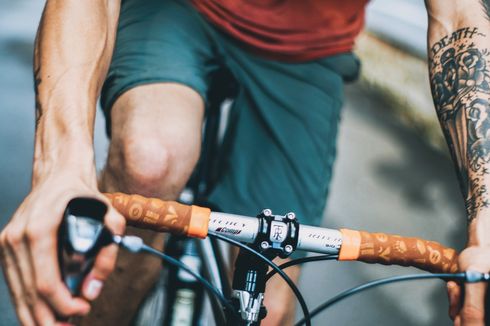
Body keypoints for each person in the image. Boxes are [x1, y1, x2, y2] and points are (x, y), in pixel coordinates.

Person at [1, 0, 490, 325]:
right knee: (148, 161)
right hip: (176, 9)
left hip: (307, 46)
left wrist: (485, 225)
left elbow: (458, 13)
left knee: (271, 307)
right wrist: (61, 168)